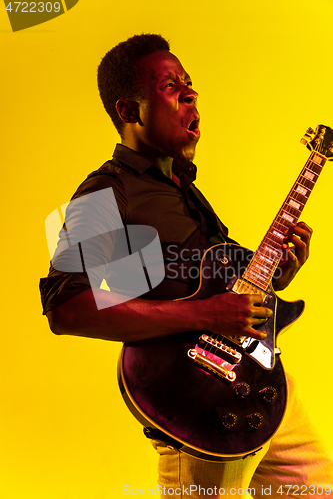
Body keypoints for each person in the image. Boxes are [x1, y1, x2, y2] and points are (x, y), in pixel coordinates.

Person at [40, 34, 332, 498]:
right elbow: (68, 308)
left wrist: (275, 279)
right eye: (171, 86)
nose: (191, 93)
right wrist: (208, 315)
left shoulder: (184, 191)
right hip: (197, 412)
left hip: (262, 387)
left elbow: (204, 286)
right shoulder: (105, 191)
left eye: (190, 84)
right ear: (129, 111)